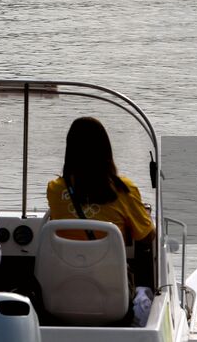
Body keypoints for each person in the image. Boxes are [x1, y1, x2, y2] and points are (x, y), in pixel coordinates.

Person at [47, 116, 154, 288]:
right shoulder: (124, 190)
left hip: (63, 286)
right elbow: (146, 237)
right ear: (105, 150)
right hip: (112, 289)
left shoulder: (54, 189)